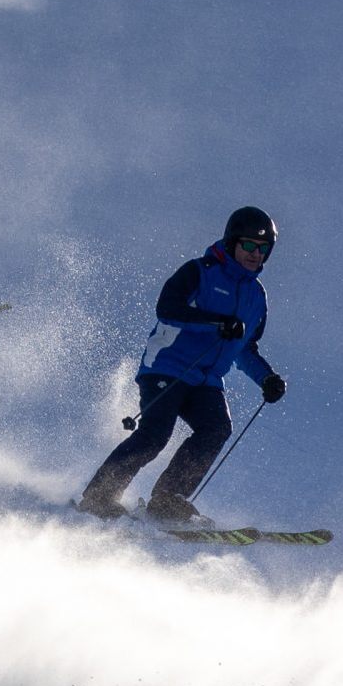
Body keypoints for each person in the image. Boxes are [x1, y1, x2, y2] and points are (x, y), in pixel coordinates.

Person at [76, 208, 287, 523]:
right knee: (155, 435)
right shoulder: (200, 272)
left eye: (263, 248)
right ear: (232, 243)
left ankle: (168, 498)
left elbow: (245, 348)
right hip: (167, 367)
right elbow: (168, 309)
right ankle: (100, 496)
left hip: (207, 380)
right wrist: (217, 323)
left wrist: (266, 378)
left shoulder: (257, 296)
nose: (256, 254)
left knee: (216, 429)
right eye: (249, 246)